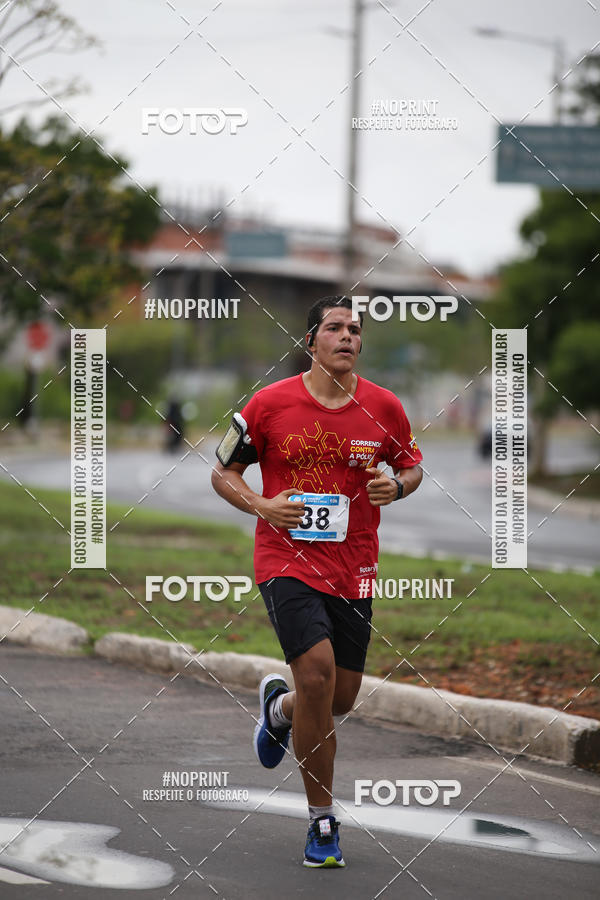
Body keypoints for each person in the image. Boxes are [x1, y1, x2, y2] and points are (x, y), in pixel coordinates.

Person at [211, 295, 423, 867]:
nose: (348, 336)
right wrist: (262, 504)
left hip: (354, 566)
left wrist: (397, 487)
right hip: (285, 561)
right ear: (311, 341)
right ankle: (322, 822)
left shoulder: (385, 406)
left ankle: (277, 711)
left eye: (356, 329)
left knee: (340, 698)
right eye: (335, 327)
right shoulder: (269, 404)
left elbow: (412, 465)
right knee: (319, 674)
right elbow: (222, 471)